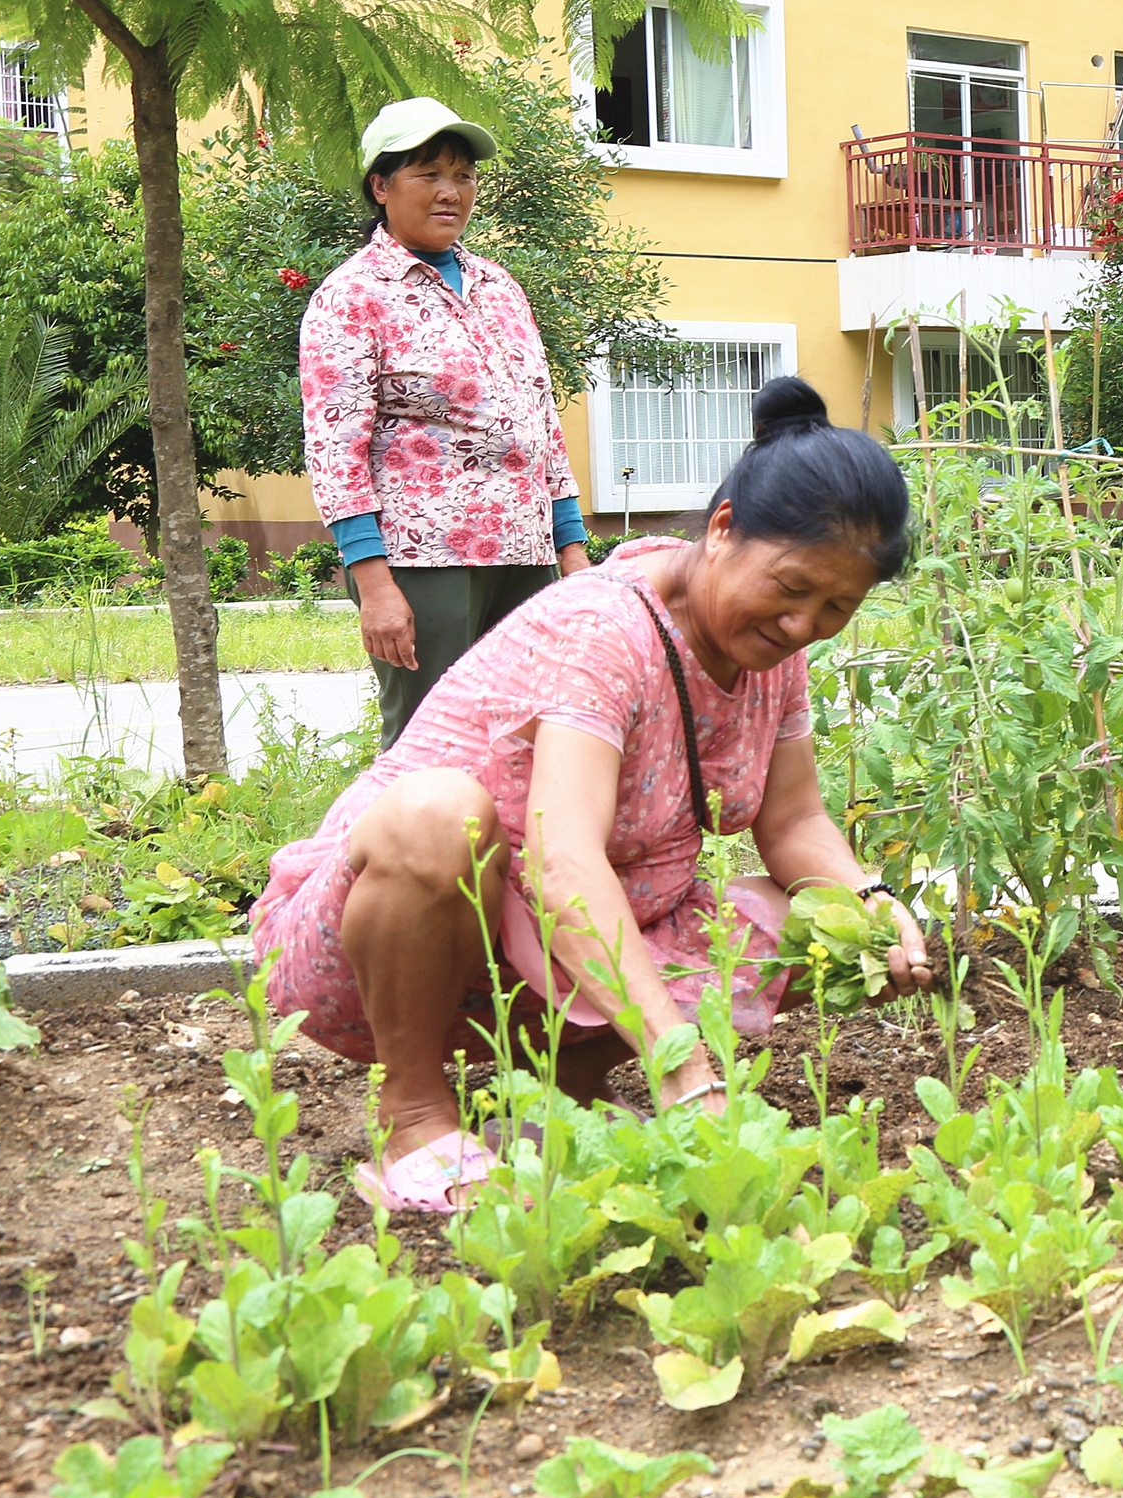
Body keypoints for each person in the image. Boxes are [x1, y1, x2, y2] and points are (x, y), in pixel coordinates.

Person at [251, 378, 932, 1211]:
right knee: (438, 818)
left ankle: (546, 1100)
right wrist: (680, 1061)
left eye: (837, 607)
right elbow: (565, 860)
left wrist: (870, 897)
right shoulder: (602, 629)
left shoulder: (768, 655)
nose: (803, 625)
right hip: (399, 936)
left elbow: (792, 821)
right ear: (722, 530)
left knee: (813, 918)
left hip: (553, 954)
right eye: (791, 589)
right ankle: (415, 1116)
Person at [300, 97, 592, 747]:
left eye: (462, 175)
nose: (450, 191)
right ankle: (391, 853)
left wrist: (571, 548)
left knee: (528, 735)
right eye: (428, 173)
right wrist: (373, 582)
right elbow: (334, 447)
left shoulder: (501, 288)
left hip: (525, 550)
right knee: (431, 742)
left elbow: (541, 420)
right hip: (421, 558)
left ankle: (509, 852)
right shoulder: (351, 297)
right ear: (381, 185)